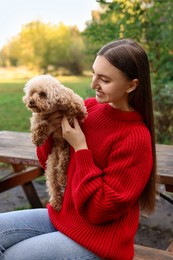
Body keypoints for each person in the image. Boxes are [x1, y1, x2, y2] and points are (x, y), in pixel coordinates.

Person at [0, 39, 157, 260]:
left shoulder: (135, 138)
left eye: (104, 79)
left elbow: (100, 209)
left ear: (131, 85)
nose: (94, 84)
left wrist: (81, 148)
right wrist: (51, 135)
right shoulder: (89, 108)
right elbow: (50, 162)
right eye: (94, 74)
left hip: (98, 240)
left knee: (13, 257)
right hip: (64, 217)